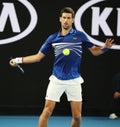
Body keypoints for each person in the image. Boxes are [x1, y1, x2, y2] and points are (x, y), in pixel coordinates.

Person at [9, 7, 114, 127]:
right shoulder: (52, 38)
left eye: (68, 18)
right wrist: (17, 60)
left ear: (72, 20)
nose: (66, 20)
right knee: (47, 111)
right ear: (60, 19)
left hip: (74, 80)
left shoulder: (80, 36)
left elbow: (95, 51)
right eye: (64, 18)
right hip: (57, 79)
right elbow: (38, 57)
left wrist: (105, 47)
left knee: (77, 116)